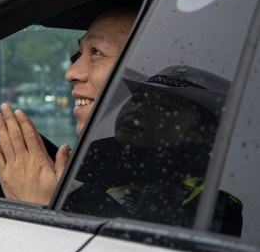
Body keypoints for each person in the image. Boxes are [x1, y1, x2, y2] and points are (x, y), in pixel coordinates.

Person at [62, 65, 243, 235]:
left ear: (205, 134)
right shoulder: (74, 164)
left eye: (163, 106)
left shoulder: (216, 207)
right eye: (137, 99)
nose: (138, 110)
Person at [0, 5, 137, 204]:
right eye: (79, 54)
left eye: (97, 52)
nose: (70, 73)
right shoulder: (126, 164)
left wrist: (36, 202)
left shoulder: (171, 179)